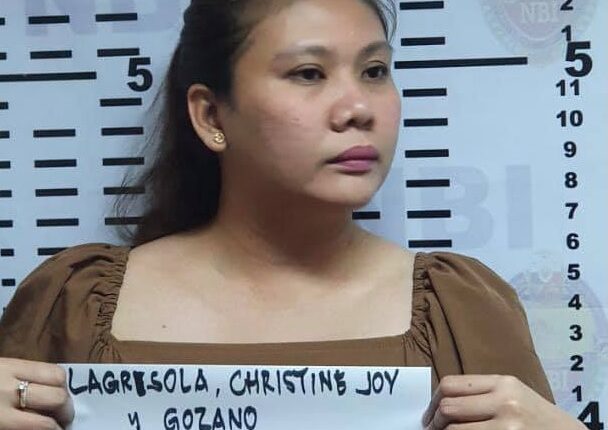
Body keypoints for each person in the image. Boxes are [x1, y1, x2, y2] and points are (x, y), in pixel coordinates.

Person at [0, 0, 587, 429]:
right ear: (211, 116)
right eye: (309, 73)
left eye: (375, 71)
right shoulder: (73, 304)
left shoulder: (459, 311)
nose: (358, 108)